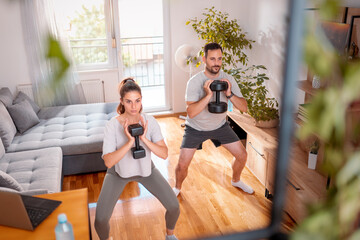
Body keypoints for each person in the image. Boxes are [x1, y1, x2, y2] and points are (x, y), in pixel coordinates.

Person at [95, 78, 180, 240]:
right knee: (100, 219)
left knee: (174, 206)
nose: (134, 106)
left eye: (137, 101)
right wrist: (130, 142)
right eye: (129, 101)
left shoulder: (150, 121)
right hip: (118, 173)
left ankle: (170, 236)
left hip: (145, 170)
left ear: (142, 100)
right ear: (121, 101)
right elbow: (108, 162)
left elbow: (163, 154)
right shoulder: (112, 125)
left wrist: (144, 139)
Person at [173, 42, 254, 196]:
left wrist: (229, 94)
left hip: (220, 126)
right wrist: (208, 95)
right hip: (196, 128)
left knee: (242, 155)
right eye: (212, 59)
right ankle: (177, 188)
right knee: (182, 164)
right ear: (204, 59)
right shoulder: (195, 82)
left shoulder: (227, 79)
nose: (216, 63)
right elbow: (191, 112)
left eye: (219, 59)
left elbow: (244, 107)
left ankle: (236, 180)